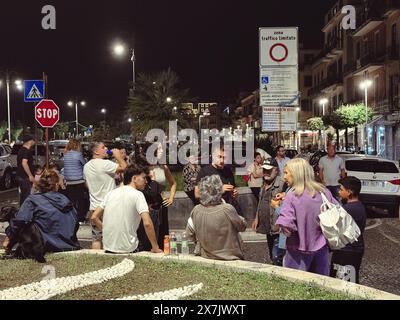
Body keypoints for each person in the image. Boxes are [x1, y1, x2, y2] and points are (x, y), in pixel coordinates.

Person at [276, 158, 338, 276]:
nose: (284, 177)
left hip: (297, 250)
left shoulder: (292, 196)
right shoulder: (323, 192)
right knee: (320, 285)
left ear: (296, 174)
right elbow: (336, 211)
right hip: (321, 248)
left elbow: (286, 225)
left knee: (296, 286)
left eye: (286, 173)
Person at [3, 170, 80, 259]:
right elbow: (76, 222)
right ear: (56, 185)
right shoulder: (67, 201)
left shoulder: (33, 200)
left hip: (45, 245)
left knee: (23, 221)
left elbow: (19, 221)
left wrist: (9, 237)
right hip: (69, 244)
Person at [91, 164, 162, 254]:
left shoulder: (110, 193)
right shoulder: (138, 195)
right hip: (128, 248)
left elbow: (94, 217)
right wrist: (155, 248)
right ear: (134, 178)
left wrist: (106, 232)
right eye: (144, 178)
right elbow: (147, 223)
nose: (146, 181)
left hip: (108, 247)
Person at [186, 175, 247, 260]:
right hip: (230, 257)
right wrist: (226, 205)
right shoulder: (227, 208)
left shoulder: (196, 210)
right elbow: (242, 226)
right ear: (219, 191)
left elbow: (189, 234)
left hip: (206, 256)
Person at [84, 142, 127, 249]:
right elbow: (124, 167)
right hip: (109, 206)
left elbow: (87, 184)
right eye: (103, 147)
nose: (106, 149)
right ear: (96, 151)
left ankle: (97, 259)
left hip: (94, 206)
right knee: (113, 235)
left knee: (96, 237)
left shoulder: (86, 166)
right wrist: (118, 156)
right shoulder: (105, 163)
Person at [330, 176, 366, 284]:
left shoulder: (349, 209)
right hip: (352, 249)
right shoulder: (358, 206)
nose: (339, 192)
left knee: (345, 284)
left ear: (349, 192)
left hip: (348, 251)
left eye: (341, 189)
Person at [251, 159, 285, 264]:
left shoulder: (282, 183)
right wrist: (257, 218)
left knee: (277, 256)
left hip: (278, 227)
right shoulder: (264, 183)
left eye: (269, 170)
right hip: (268, 226)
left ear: (276, 170)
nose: (266, 172)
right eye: (264, 170)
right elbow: (261, 201)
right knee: (272, 254)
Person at [147, 143, 177, 250]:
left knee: (162, 233)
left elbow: (173, 183)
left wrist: (171, 198)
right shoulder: (145, 168)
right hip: (149, 206)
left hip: (162, 205)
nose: (162, 151)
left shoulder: (163, 167)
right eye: (159, 149)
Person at [63, 139, 88, 223]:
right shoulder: (78, 155)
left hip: (69, 181)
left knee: (71, 201)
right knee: (80, 201)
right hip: (78, 180)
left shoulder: (65, 155)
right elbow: (84, 164)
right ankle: (80, 218)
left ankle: (71, 218)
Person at [16, 135, 36, 205]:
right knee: (26, 198)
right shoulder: (26, 151)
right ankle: (24, 214)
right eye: (33, 140)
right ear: (30, 141)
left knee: (23, 197)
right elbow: (24, 163)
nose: (34, 142)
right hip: (25, 177)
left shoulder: (21, 150)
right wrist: (30, 175)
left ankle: (22, 212)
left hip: (21, 176)